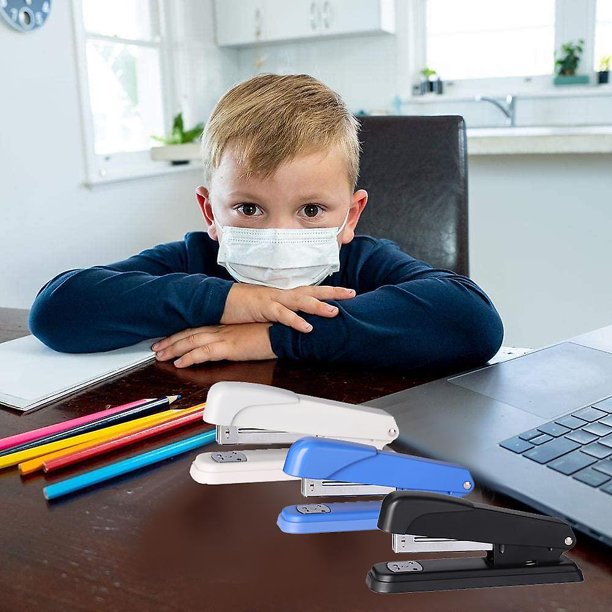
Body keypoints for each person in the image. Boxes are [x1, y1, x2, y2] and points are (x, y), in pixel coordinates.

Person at [30, 73, 503, 370]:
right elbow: (57, 310)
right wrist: (234, 301)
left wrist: (274, 336)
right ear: (211, 212)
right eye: (250, 209)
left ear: (350, 214)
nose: (281, 235)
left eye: (311, 211)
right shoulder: (196, 258)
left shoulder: (362, 261)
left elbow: (472, 320)